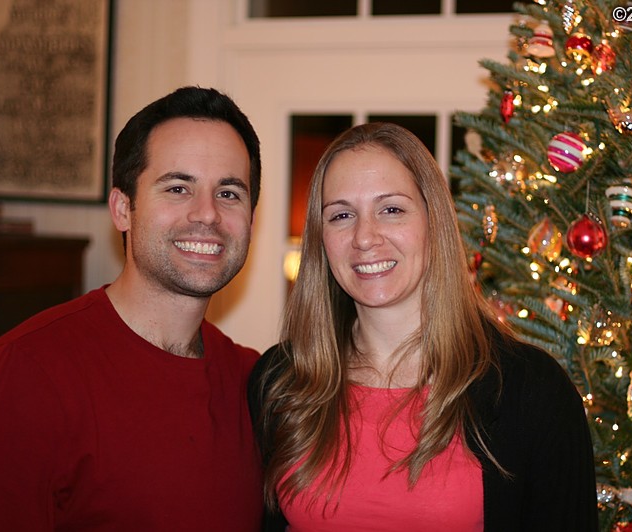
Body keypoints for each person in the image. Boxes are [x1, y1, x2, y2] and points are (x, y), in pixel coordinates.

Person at [248, 122, 598, 531]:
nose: (364, 237)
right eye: (341, 215)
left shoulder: (530, 390)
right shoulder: (280, 380)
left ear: (434, 223)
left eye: (391, 209)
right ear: (321, 239)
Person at [0, 87, 264, 530]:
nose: (207, 214)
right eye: (178, 187)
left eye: (229, 193)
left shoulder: (254, 384)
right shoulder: (25, 373)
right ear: (123, 209)